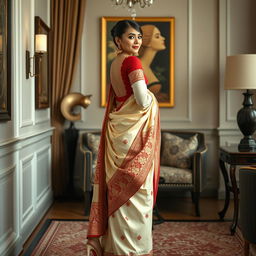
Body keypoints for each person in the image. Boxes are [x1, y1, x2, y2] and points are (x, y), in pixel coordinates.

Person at [85, 20, 161, 256]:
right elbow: (141, 100)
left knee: (117, 192)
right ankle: (134, 249)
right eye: (131, 37)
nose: (137, 41)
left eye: (139, 36)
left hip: (119, 135)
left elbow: (121, 101)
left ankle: (115, 247)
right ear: (118, 40)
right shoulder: (133, 62)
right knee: (139, 193)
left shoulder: (115, 63)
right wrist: (152, 100)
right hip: (132, 139)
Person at [139, 25, 168, 102]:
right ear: (147, 42)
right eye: (157, 36)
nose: (163, 38)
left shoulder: (145, 65)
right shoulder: (139, 67)